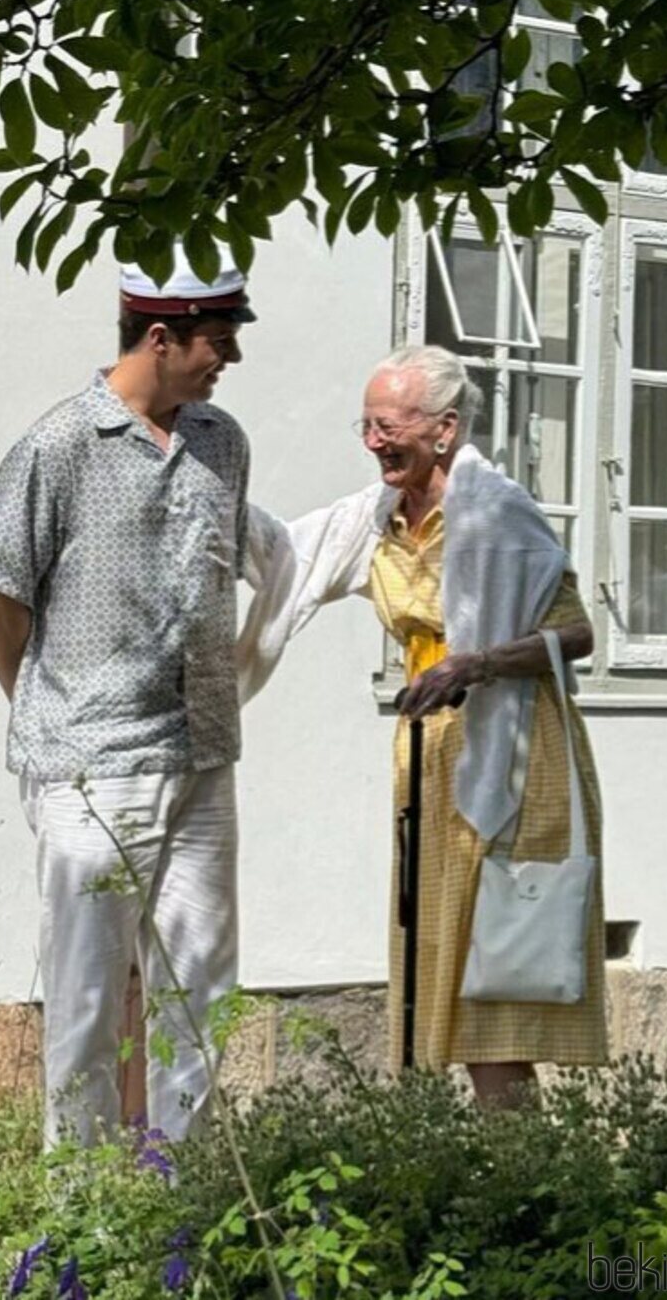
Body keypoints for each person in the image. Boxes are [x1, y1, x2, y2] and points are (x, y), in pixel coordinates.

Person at [239, 345, 607, 1106]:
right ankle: (464, 1168)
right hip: (431, 753)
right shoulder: (374, 521)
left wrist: (478, 663)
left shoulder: (498, 513)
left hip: (512, 754)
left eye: (386, 422)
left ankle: (527, 1176)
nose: (372, 438)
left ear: (443, 431)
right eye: (365, 423)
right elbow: (282, 556)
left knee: (494, 976)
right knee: (437, 961)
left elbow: (577, 634)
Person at [0, 246, 255, 1147]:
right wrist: (50, 703)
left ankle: (189, 1199)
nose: (230, 359)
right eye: (219, 339)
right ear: (161, 336)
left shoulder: (223, 442)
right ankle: (83, 1217)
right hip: (90, 766)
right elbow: (0, 591)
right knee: (89, 1002)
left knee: (201, 993)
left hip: (204, 752)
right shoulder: (56, 447)